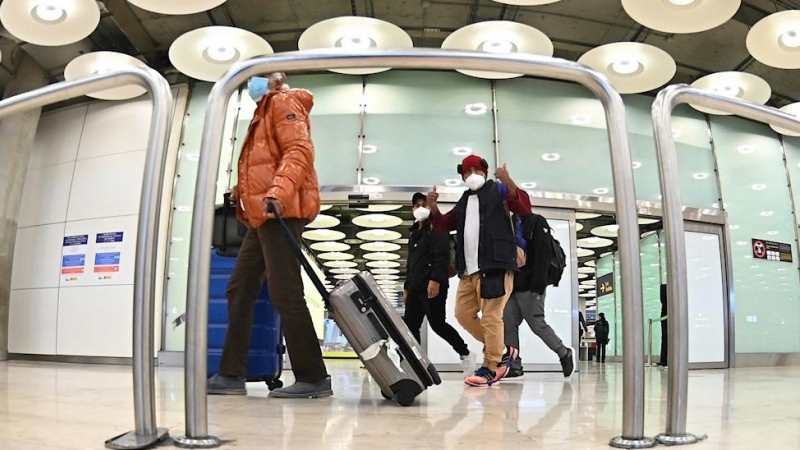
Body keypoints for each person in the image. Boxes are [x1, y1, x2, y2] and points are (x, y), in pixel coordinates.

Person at [207, 73, 331, 398]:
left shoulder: (283, 102)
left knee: (284, 293)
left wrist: (276, 192)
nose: (254, 85)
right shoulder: (261, 112)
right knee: (240, 287)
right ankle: (231, 374)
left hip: (281, 212)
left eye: (261, 79)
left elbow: (299, 152)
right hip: (262, 216)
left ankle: (314, 377)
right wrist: (242, 191)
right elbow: (266, 164)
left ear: (278, 82)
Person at [427, 155, 532, 387]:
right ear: (462, 176)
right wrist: (433, 207)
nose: (472, 174)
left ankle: (491, 366)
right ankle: (504, 350)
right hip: (469, 271)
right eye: (467, 171)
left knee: (492, 316)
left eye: (476, 170)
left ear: (485, 172)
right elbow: (444, 224)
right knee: (462, 314)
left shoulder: (499, 191)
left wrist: (507, 180)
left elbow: (524, 206)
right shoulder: (465, 200)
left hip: (496, 265)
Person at [403, 193, 474, 376]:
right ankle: (415, 362)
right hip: (414, 287)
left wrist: (435, 280)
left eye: (424, 204)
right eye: (417, 205)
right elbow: (410, 262)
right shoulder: (413, 234)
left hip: (433, 284)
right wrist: (406, 287)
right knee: (410, 327)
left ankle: (465, 353)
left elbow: (441, 256)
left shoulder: (438, 227)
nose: (420, 208)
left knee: (438, 324)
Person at [503, 213, 576, 380]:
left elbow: (543, 254)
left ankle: (563, 352)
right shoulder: (507, 223)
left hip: (531, 284)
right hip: (512, 284)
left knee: (537, 323)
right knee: (508, 322)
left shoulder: (535, 221)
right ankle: (514, 364)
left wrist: (539, 285)